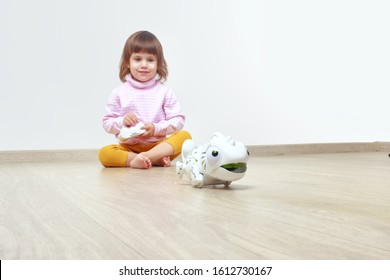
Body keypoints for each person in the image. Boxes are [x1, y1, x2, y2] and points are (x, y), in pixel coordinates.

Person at [98, 31, 191, 169]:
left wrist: (155, 128)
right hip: (129, 148)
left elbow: (178, 121)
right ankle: (148, 160)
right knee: (104, 154)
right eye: (137, 59)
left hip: (159, 146)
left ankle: (148, 157)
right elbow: (107, 124)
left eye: (150, 60)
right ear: (127, 62)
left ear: (158, 64)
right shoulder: (118, 93)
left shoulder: (164, 91)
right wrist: (122, 121)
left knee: (185, 137)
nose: (144, 65)